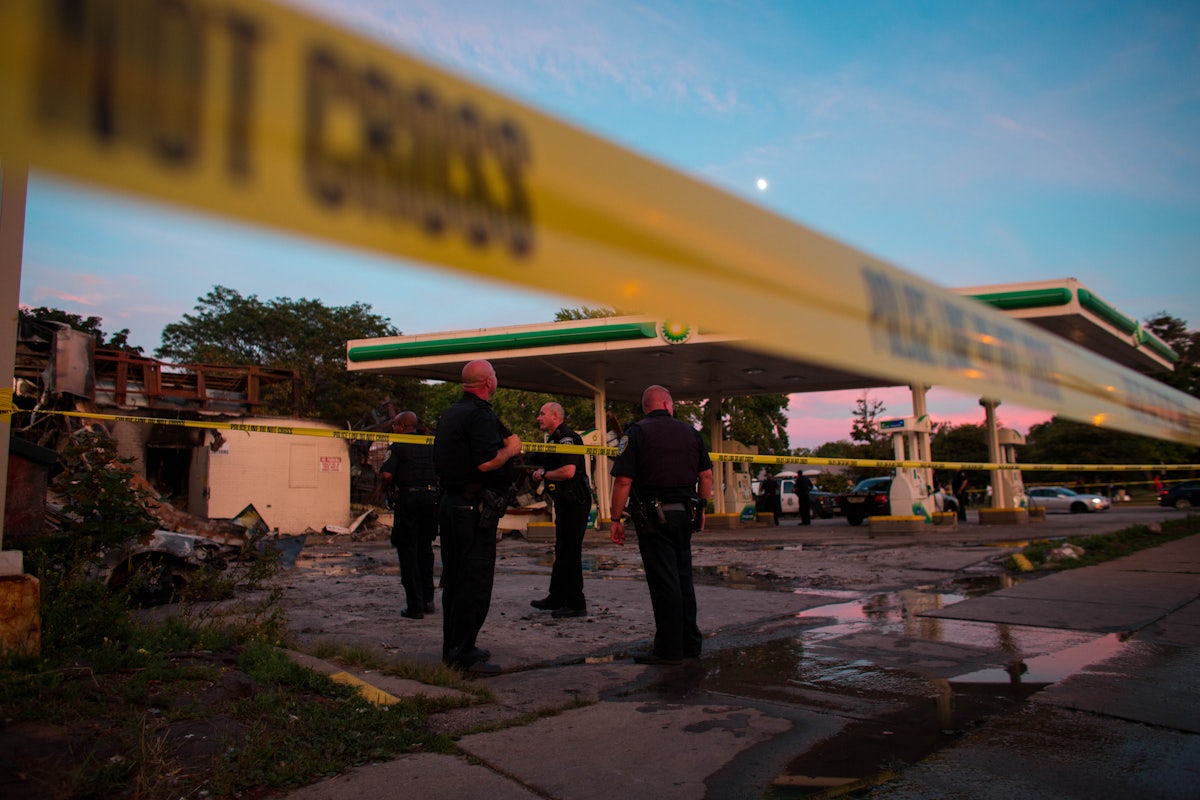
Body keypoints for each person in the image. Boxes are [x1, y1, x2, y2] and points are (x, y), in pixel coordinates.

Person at [609, 384, 714, 666]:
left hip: (653, 519)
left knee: (664, 582)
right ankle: (690, 643)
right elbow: (705, 476)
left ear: (646, 407)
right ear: (668, 405)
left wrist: (615, 519)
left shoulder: (635, 434)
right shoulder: (691, 433)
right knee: (683, 579)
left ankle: (668, 649)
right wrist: (702, 509)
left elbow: (623, 481)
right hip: (685, 515)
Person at [433, 360, 522, 676]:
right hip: (471, 510)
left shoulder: (452, 413)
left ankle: (458, 647)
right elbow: (486, 463)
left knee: (457, 580)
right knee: (474, 581)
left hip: (454, 504)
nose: (497, 379)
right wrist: (511, 449)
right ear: (487, 381)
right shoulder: (479, 415)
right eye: (495, 374)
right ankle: (462, 657)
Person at [529, 402, 591, 619]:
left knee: (570, 551)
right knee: (562, 549)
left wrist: (543, 474)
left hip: (576, 501)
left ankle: (576, 603)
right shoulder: (553, 439)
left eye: (542, 413)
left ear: (555, 416)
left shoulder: (567, 438)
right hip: (565, 501)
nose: (538, 418)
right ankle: (556, 597)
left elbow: (568, 471)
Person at [378, 411, 438, 619]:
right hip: (431, 500)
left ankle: (415, 606)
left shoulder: (397, 446)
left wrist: (386, 487)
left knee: (408, 551)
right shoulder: (430, 445)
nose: (393, 428)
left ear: (403, 426)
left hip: (409, 500)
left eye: (394, 424)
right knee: (425, 550)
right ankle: (429, 600)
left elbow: (386, 474)